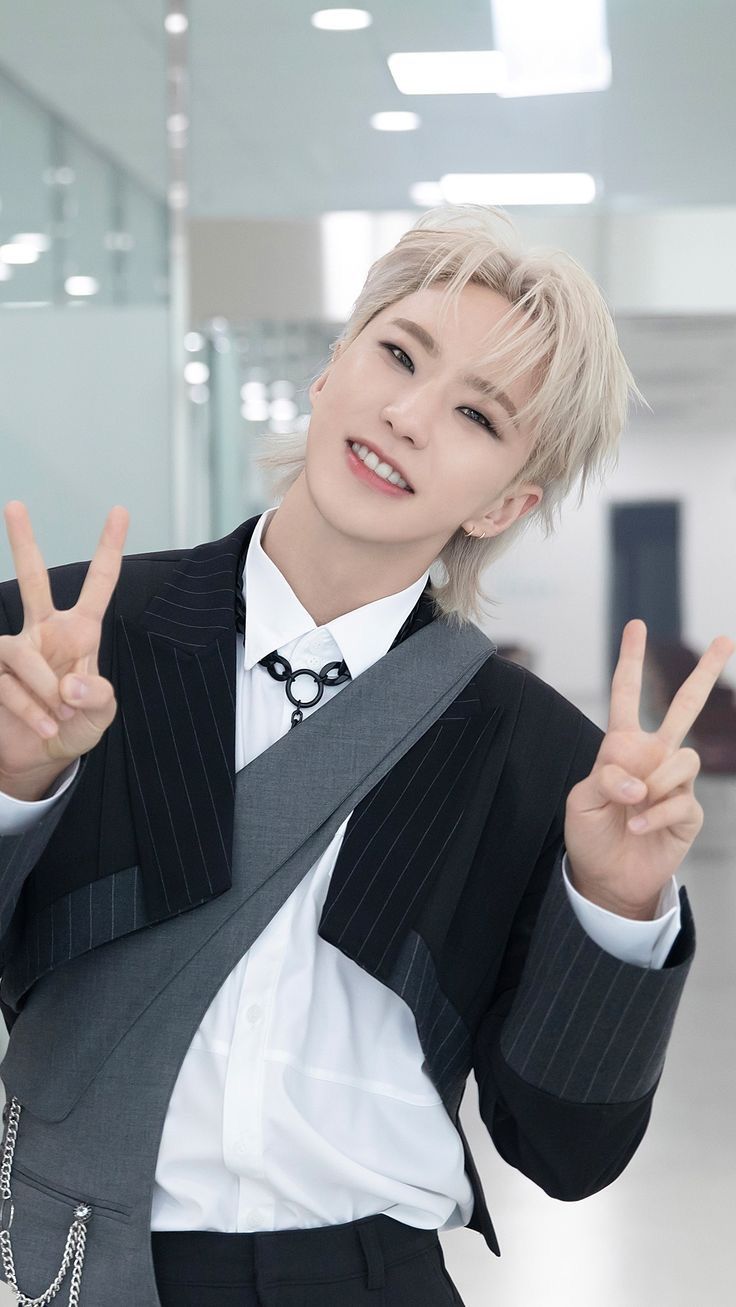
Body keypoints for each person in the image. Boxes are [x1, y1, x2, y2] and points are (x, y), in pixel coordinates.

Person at [0, 204, 731, 1307]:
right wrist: (19, 781)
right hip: (76, 1262)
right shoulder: (59, 642)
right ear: (330, 367)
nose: (406, 415)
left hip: (367, 1276)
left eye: (478, 414)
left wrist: (617, 907)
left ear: (507, 501)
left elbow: (564, 1149)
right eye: (397, 354)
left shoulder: (538, 760)